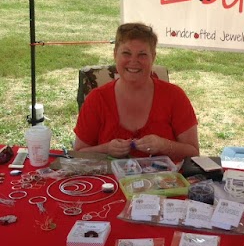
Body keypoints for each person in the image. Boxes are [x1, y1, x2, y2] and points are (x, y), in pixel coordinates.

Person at [74, 22, 200, 161]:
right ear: (115, 54)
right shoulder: (97, 99)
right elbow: (78, 153)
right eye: (126, 53)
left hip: (165, 181)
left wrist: (164, 145)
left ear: (153, 57)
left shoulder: (175, 96)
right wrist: (106, 149)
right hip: (110, 181)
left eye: (142, 55)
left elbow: (193, 152)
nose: (134, 61)